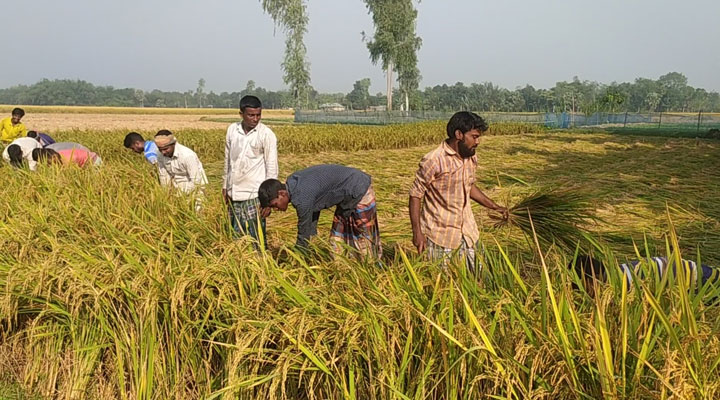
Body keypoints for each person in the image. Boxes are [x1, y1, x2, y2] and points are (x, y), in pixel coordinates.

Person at [409, 111, 508, 270]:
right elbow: (415, 195)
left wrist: (495, 207)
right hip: (441, 235)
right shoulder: (434, 160)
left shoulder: (471, 157)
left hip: (468, 233)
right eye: (474, 137)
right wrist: (417, 233)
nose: (478, 142)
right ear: (459, 134)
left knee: (477, 279)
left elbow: (469, 187)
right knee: (445, 285)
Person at [258, 164, 382, 259]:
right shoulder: (292, 182)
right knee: (337, 241)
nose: (276, 209)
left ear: (282, 193)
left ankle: (373, 268)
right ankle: (346, 267)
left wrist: (298, 257)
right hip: (345, 197)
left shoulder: (301, 198)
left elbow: (304, 233)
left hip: (358, 188)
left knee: (365, 239)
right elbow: (313, 209)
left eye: (275, 205)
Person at [223, 95, 278, 245]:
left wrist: (268, 201)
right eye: (251, 115)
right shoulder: (232, 130)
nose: (255, 119)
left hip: (254, 195)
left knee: (256, 238)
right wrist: (225, 187)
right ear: (241, 114)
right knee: (236, 236)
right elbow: (228, 161)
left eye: (258, 115)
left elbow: (272, 167)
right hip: (234, 193)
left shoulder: (266, 135)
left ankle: (260, 265)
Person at [570, 254, 719, 297]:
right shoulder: (615, 272)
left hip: (699, 280)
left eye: (583, 286)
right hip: (688, 270)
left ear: (594, 279)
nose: (584, 292)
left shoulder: (625, 286)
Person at [155, 130, 208, 211]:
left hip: (196, 189)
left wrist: (181, 194)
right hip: (177, 189)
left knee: (198, 213)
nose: (163, 152)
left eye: (166, 149)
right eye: (160, 149)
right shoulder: (160, 155)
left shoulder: (187, 155)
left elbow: (196, 180)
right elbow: (164, 176)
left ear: (173, 144)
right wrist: (166, 194)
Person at [34, 143, 102, 167]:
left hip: (94, 162)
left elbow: (75, 173)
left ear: (54, 156)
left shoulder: (69, 159)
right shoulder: (58, 154)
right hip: (87, 159)